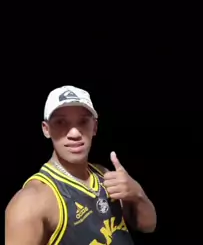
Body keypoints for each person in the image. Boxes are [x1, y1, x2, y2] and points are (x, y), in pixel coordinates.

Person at [5, 85, 157, 245]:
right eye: (61, 122)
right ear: (46, 129)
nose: (74, 133)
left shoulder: (104, 175)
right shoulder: (30, 202)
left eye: (83, 121)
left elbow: (148, 226)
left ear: (95, 127)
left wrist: (137, 192)